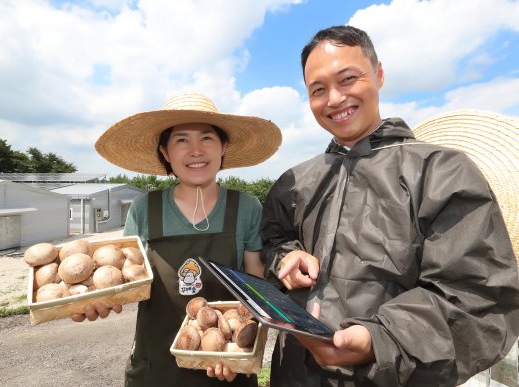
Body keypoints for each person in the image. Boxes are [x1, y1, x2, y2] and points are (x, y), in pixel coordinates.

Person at [260, 25, 519, 386]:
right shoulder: (296, 181)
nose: (334, 98)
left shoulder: (441, 172)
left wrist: (379, 340)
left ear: (379, 74)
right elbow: (273, 240)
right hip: (295, 375)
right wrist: (286, 257)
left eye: (347, 79)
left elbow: (478, 297)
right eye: (318, 89)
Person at [93, 91, 282, 386]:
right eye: (182, 140)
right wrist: (100, 301)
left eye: (206, 138)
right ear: (165, 153)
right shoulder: (145, 210)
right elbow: (124, 281)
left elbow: (256, 283)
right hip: (157, 367)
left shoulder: (245, 207)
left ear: (223, 147)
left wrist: (244, 349)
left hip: (224, 362)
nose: (196, 150)